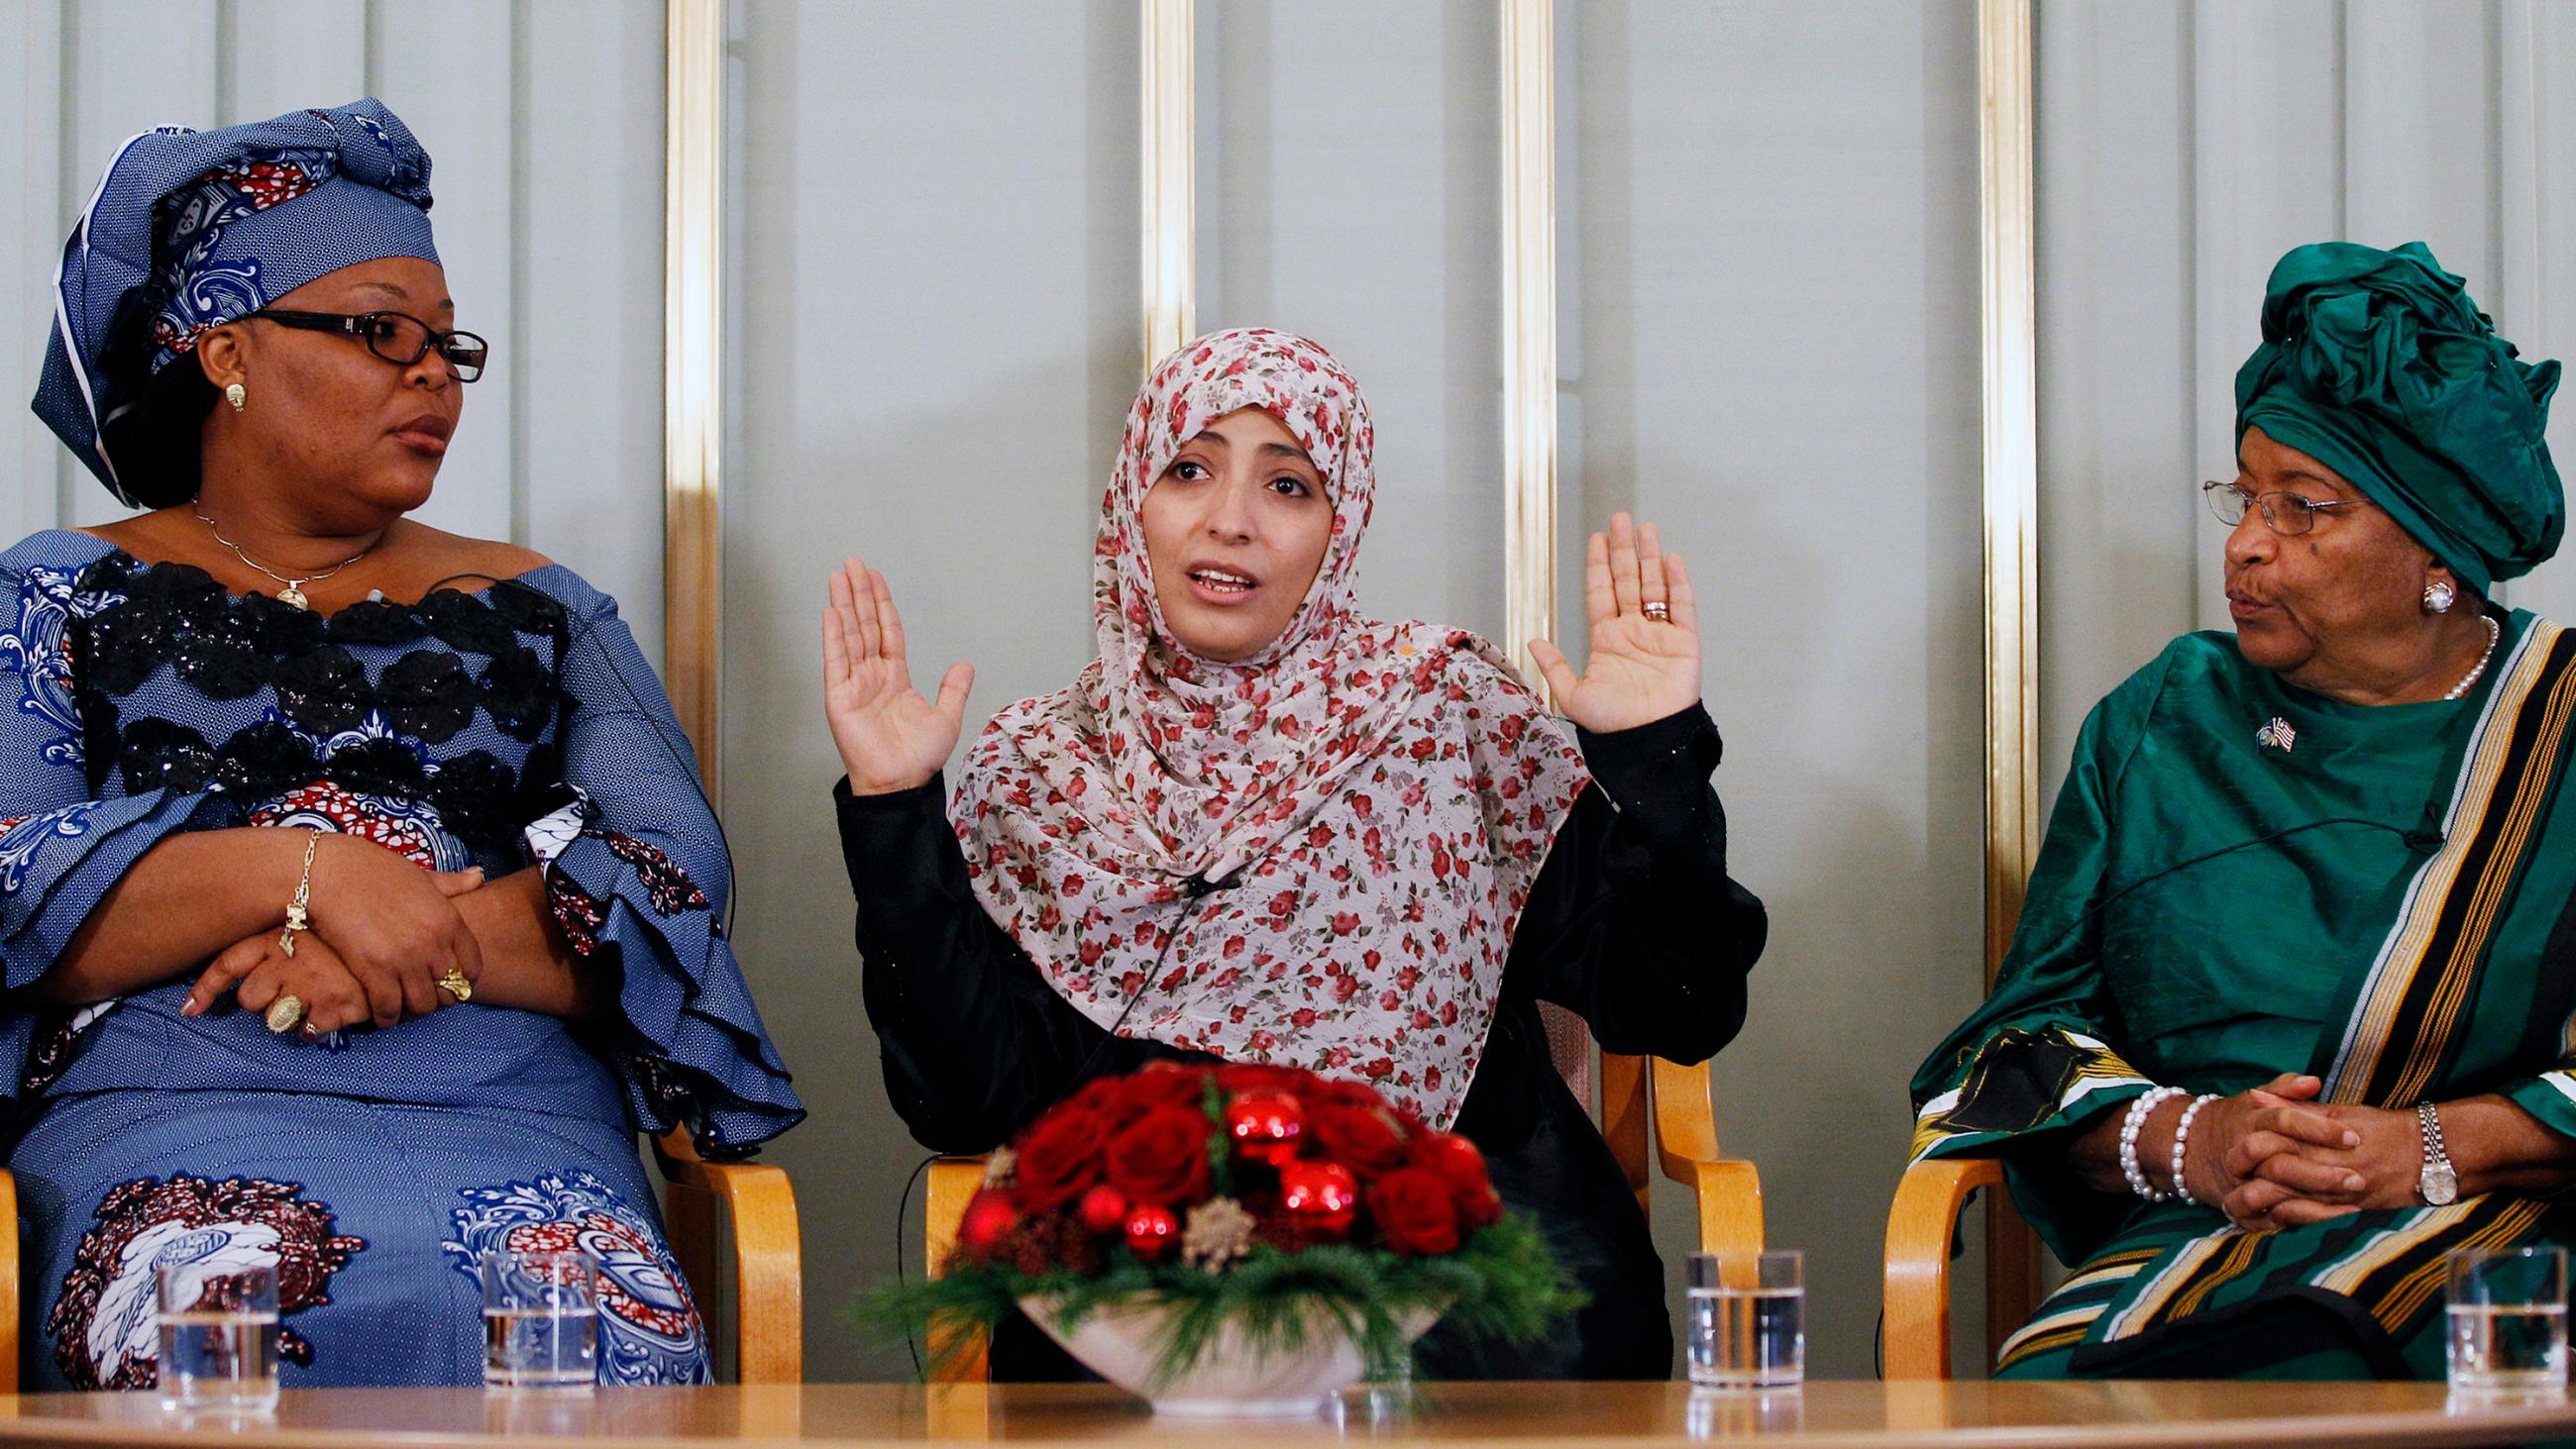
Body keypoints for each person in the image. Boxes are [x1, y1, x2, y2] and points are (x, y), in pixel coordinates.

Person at [7, 100, 800, 1390]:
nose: (433, 374)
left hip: (514, 1113)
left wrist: (402, 951)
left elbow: (674, 874)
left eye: (447, 346)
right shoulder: (52, 595)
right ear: (227, 350)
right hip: (174, 1111)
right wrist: (303, 871)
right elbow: (4, 875)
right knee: (207, 1323)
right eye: (381, 333)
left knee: (599, 1327)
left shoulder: (543, 605)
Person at [826, 327, 1767, 1378]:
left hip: (1474, 1295)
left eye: (1287, 483)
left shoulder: (1442, 715)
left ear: (1340, 525)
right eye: (1189, 468)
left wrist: (1652, 757)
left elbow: (1677, 1005)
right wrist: (895, 803)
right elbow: (967, 1104)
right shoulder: (1039, 773)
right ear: (1131, 498)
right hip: (1144, 1318)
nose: (1229, 520)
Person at [1910, 241, 2576, 1380]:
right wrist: (2193, 1141)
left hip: (2505, 1228)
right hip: (2209, 1233)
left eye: (2303, 507)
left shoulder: (2555, 722)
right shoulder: (2163, 722)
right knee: (2052, 1394)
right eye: (2243, 494)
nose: (2246, 543)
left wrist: (2423, 1146)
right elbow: (2005, 1050)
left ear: (2437, 556)